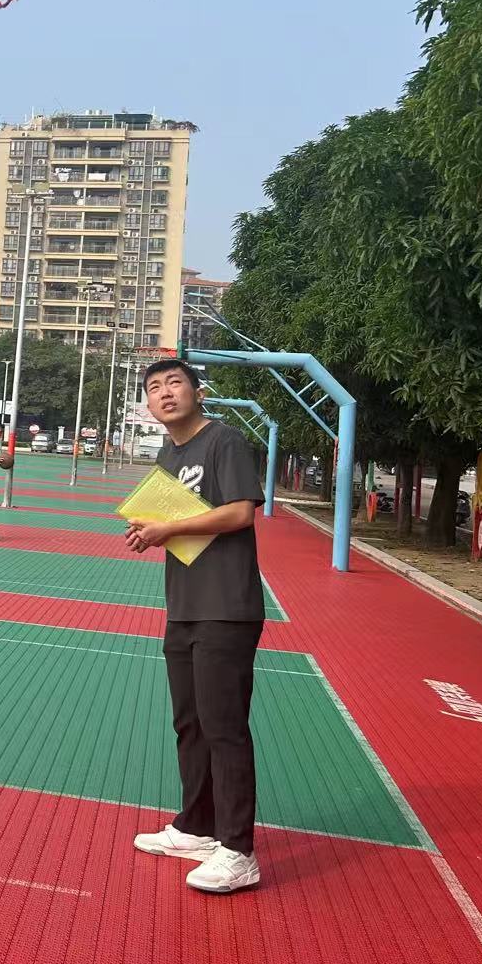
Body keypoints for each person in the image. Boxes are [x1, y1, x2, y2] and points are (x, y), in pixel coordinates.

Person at [125, 357, 267, 894]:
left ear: (198, 392)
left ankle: (239, 850)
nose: (165, 392)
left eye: (175, 383)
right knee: (190, 722)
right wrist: (150, 530)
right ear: (148, 404)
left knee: (224, 727)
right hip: (183, 604)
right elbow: (176, 526)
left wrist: (168, 527)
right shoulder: (169, 454)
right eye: (154, 387)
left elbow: (240, 512)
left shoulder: (224, 441)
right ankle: (197, 827)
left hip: (226, 606)